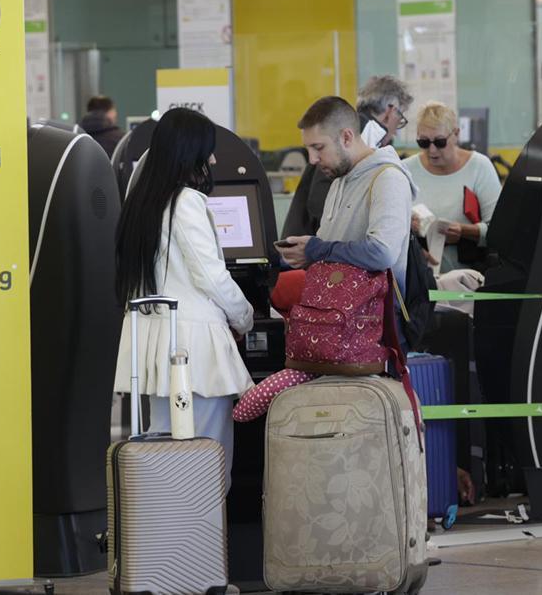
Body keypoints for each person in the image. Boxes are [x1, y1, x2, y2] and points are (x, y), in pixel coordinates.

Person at [112, 108, 253, 490]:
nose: (212, 159)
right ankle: (204, 546)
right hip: (195, 351)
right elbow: (211, 276)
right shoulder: (186, 201)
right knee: (207, 463)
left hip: (156, 344)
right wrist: (245, 317)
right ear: (190, 151)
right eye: (208, 150)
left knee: (166, 459)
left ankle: (170, 540)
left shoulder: (141, 202)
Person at [277, 95, 416, 327]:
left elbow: (383, 253)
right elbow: (330, 247)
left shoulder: (388, 178)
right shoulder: (339, 181)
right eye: (308, 149)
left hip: (375, 330)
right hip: (338, 324)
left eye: (318, 148)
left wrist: (317, 249)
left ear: (346, 137)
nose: (312, 159)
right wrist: (301, 252)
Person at [281, 76, 413, 238]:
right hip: (310, 246)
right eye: (400, 119)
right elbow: (320, 198)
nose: (397, 129)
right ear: (391, 111)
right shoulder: (363, 134)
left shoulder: (351, 126)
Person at [401, 101, 501, 273]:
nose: (432, 150)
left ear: (456, 134)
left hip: (470, 278)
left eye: (439, 142)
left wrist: (464, 231)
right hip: (419, 279)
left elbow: (499, 230)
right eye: (423, 142)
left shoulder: (479, 167)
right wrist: (407, 226)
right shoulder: (405, 169)